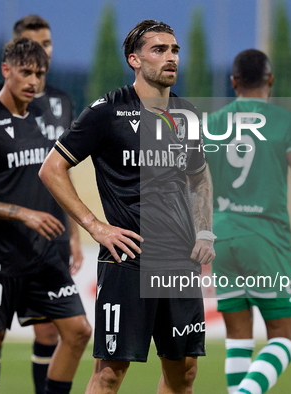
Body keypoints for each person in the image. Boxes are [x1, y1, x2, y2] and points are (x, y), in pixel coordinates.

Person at [39, 20, 215, 394]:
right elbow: (52, 169)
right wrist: (95, 225)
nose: (170, 58)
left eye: (174, 50)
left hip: (179, 262)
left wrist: (204, 231)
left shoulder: (187, 115)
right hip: (128, 260)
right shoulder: (108, 111)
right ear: (134, 60)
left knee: (183, 373)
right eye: (159, 50)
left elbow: (199, 177)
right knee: (109, 372)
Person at [0, 38, 90, 394]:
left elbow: (58, 178)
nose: (33, 81)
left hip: (43, 257)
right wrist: (21, 213)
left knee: (78, 332)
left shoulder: (42, 121)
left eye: (40, 74)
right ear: (6, 70)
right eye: (26, 72)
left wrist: (73, 233)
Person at [204, 49, 291, 394]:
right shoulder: (288, 122)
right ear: (271, 80)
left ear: (233, 83)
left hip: (221, 236)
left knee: (238, 338)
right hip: (264, 237)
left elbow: (192, 185)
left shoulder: (210, 124)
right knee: (285, 338)